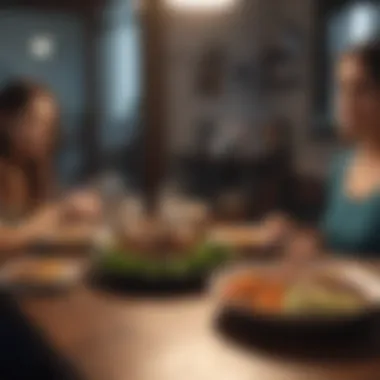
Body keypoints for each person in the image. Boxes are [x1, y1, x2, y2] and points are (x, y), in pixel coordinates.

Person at [264, 40, 380, 258]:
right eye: (342, 88)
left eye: (362, 88)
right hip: (334, 289)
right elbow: (336, 240)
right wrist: (294, 234)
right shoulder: (342, 165)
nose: (346, 101)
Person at [0, 79, 101, 252]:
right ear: (6, 119)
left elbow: (42, 214)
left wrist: (73, 206)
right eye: (36, 122)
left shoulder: (31, 166)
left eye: (51, 125)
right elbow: (6, 239)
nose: (46, 134)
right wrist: (61, 211)